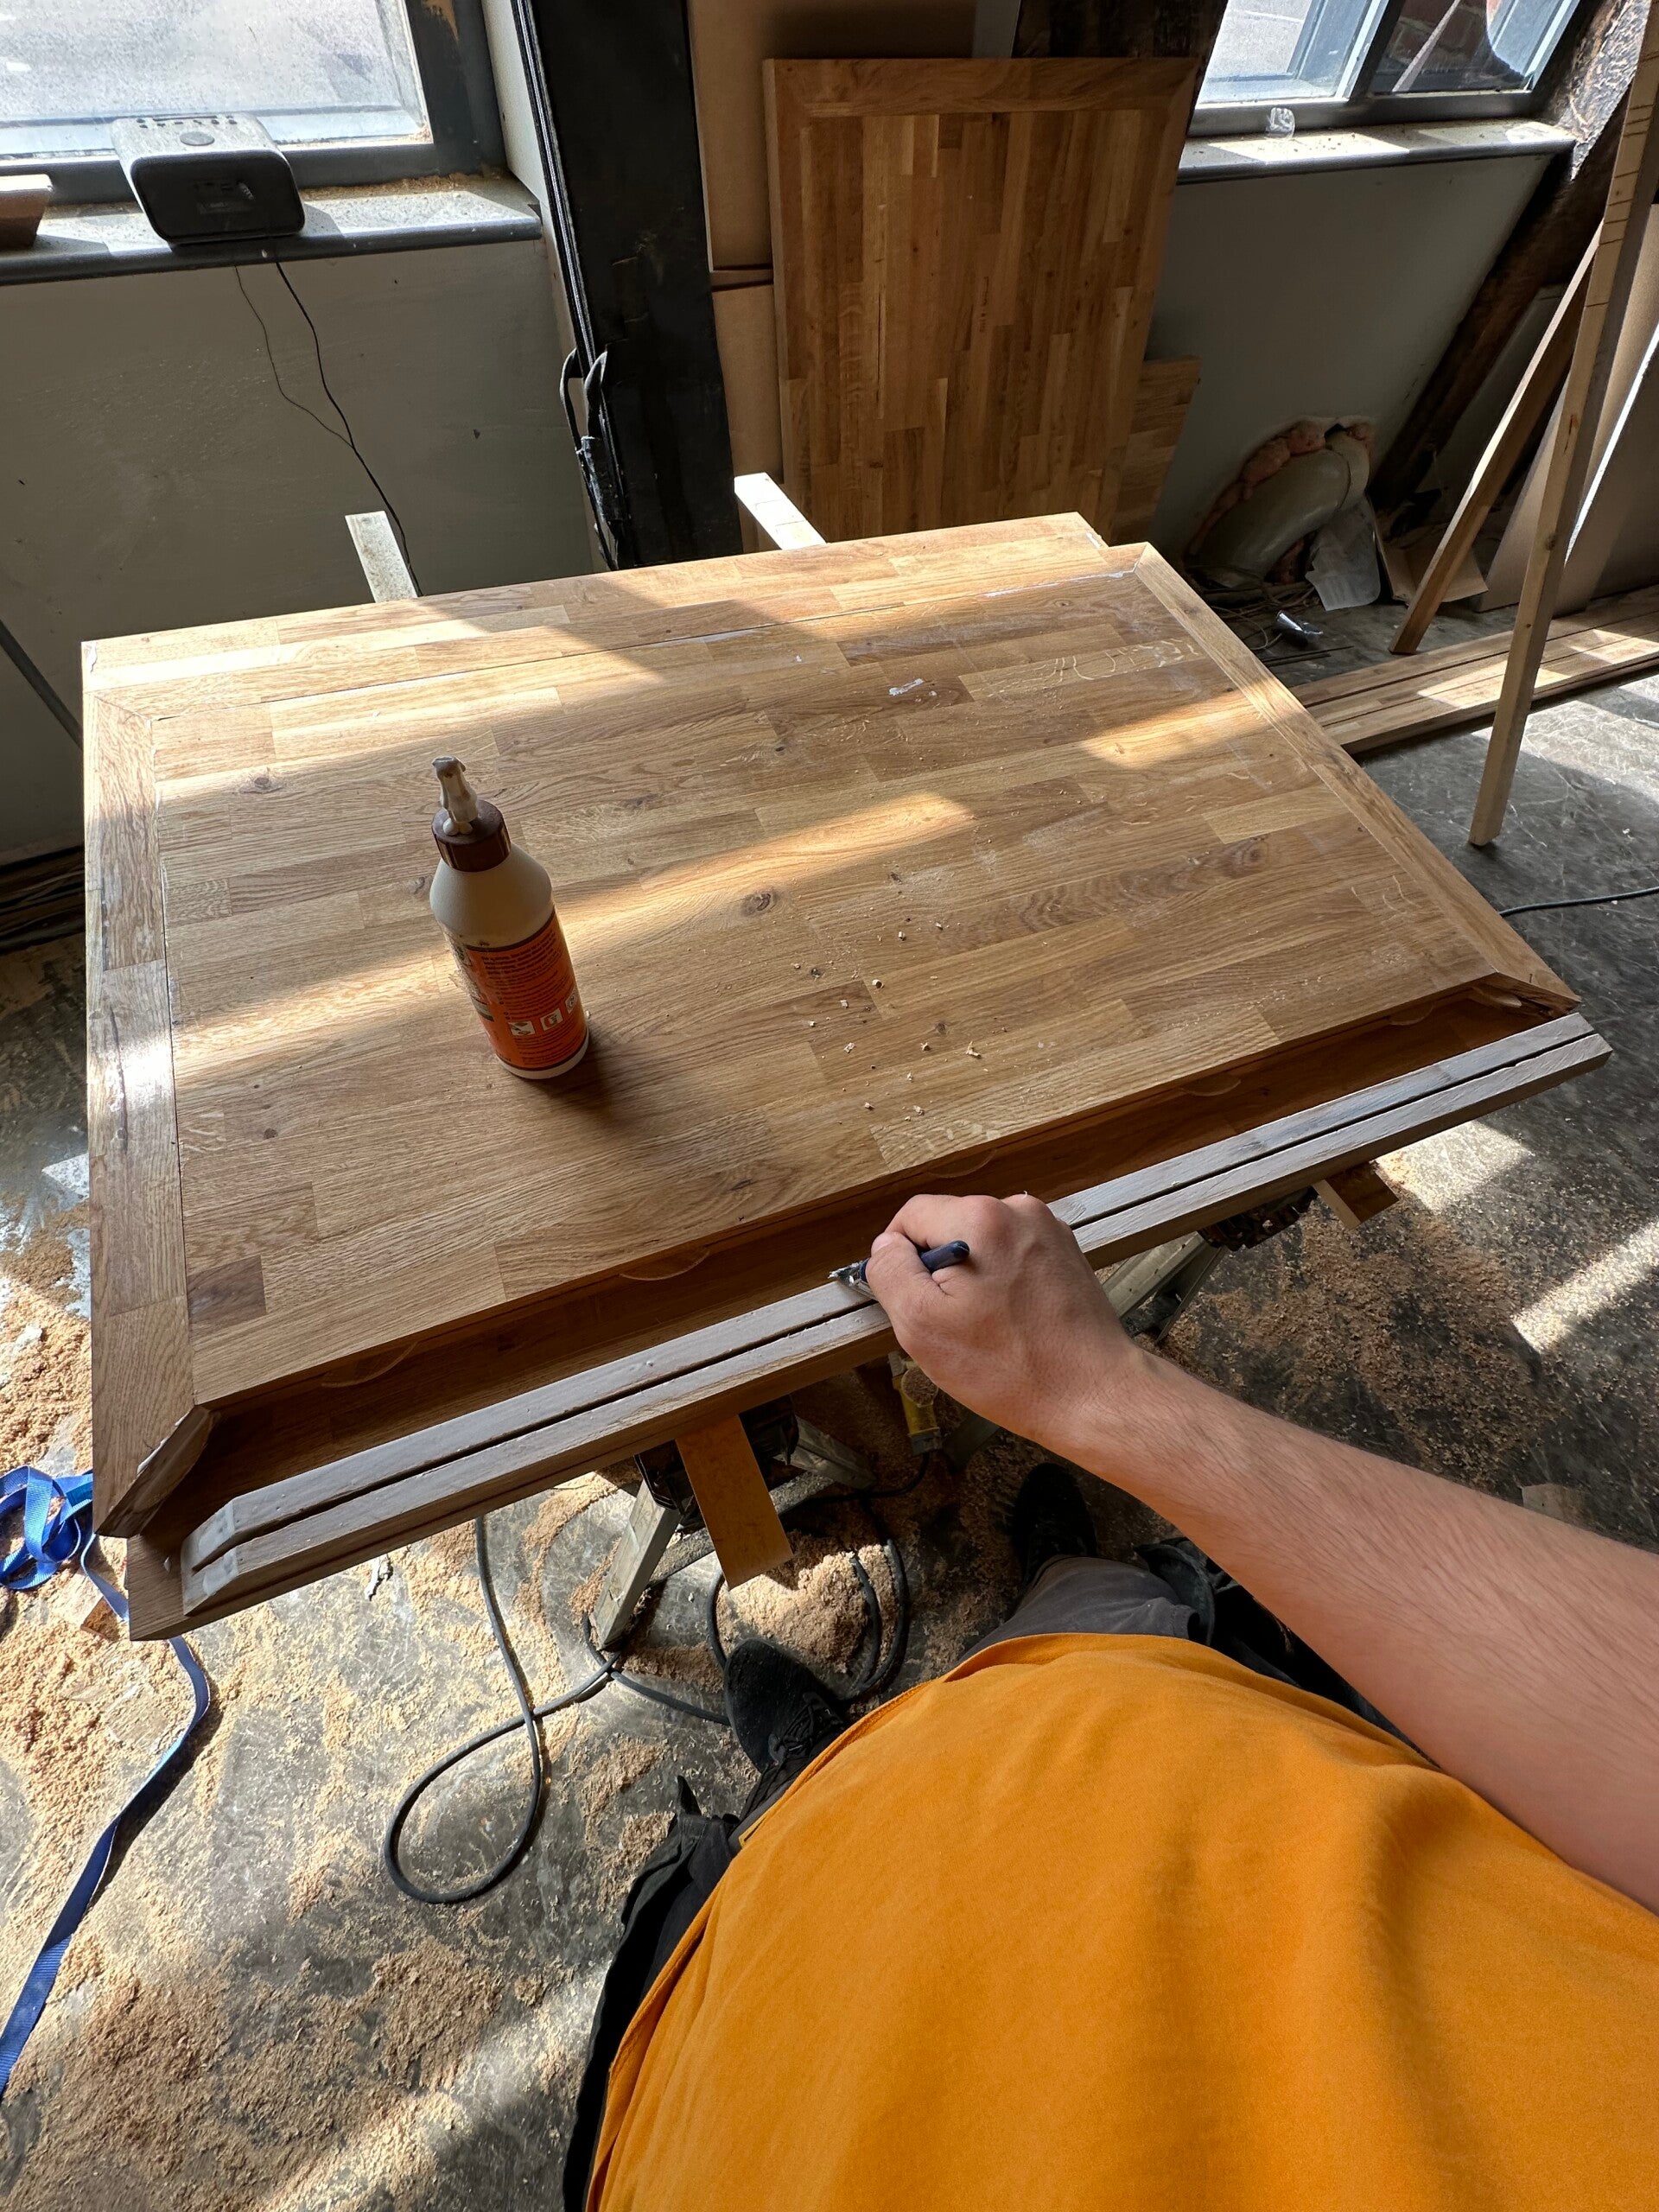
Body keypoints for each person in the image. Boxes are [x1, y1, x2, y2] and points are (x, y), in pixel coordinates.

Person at [569, 1193, 1659, 2210]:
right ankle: (1049, 1598)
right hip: (1170, 1752)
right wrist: (1090, 1386)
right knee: (1096, 1617)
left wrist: (1097, 1385)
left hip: (760, 2019)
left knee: (810, 1825)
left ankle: (808, 1774)